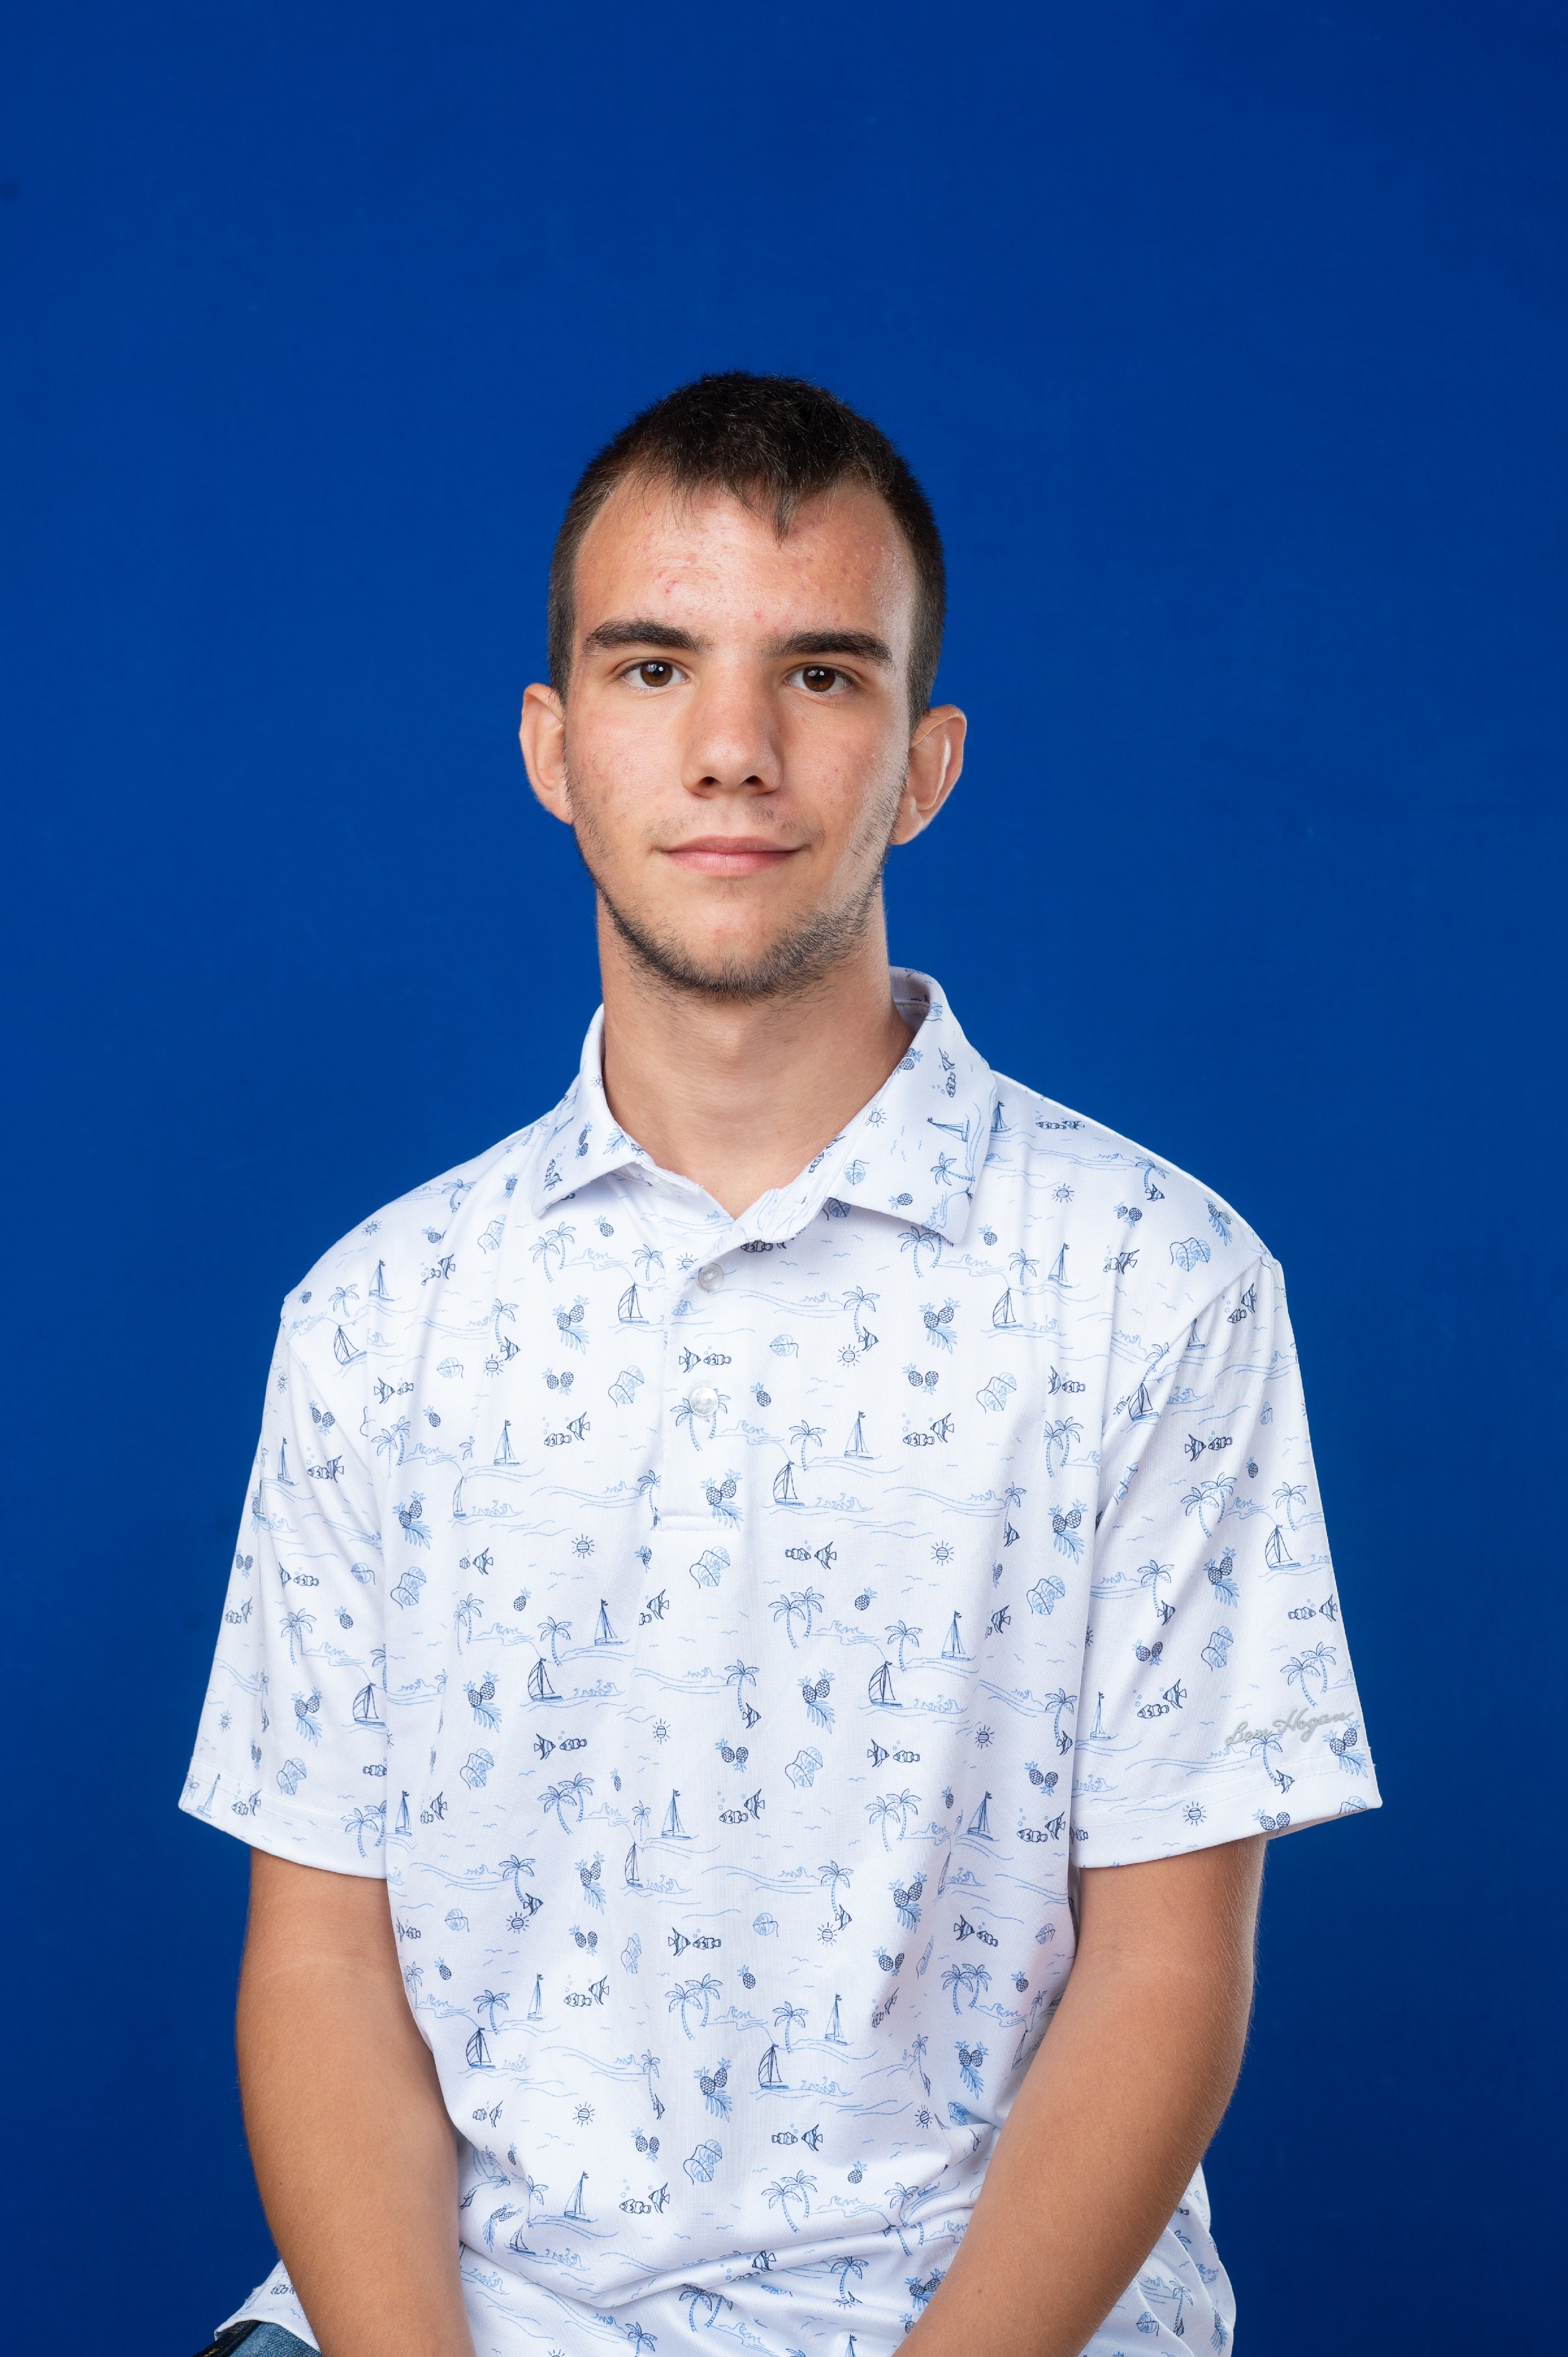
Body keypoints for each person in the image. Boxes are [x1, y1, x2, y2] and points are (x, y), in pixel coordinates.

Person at [184, 372, 1379, 2357]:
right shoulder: (379, 1321)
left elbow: (1168, 1970)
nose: (732, 748)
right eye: (654, 667)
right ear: (554, 747)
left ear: (924, 762)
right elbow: (321, 1964)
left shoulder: (1160, 1288)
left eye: (820, 675)